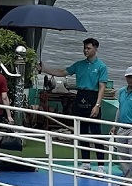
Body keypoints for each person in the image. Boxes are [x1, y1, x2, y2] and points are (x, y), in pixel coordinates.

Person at [39, 37, 108, 173]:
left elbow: (102, 87)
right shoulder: (79, 64)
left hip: (93, 97)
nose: (85, 51)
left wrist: (97, 105)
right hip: (80, 96)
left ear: (95, 49)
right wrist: (45, 69)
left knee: (96, 133)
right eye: (84, 48)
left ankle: (101, 165)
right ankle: (85, 163)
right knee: (81, 132)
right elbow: (62, 72)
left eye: (88, 48)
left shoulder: (101, 67)